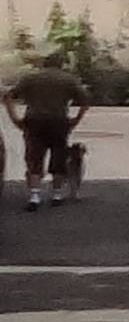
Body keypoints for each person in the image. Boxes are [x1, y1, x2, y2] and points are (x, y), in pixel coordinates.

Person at [10, 54, 85, 209]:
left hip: (34, 121)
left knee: (34, 157)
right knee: (59, 156)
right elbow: (85, 101)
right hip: (58, 121)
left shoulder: (30, 78)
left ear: (44, 64)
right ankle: (56, 194)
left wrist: (15, 118)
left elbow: (9, 97)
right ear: (62, 64)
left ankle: (35, 196)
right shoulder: (69, 79)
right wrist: (76, 119)